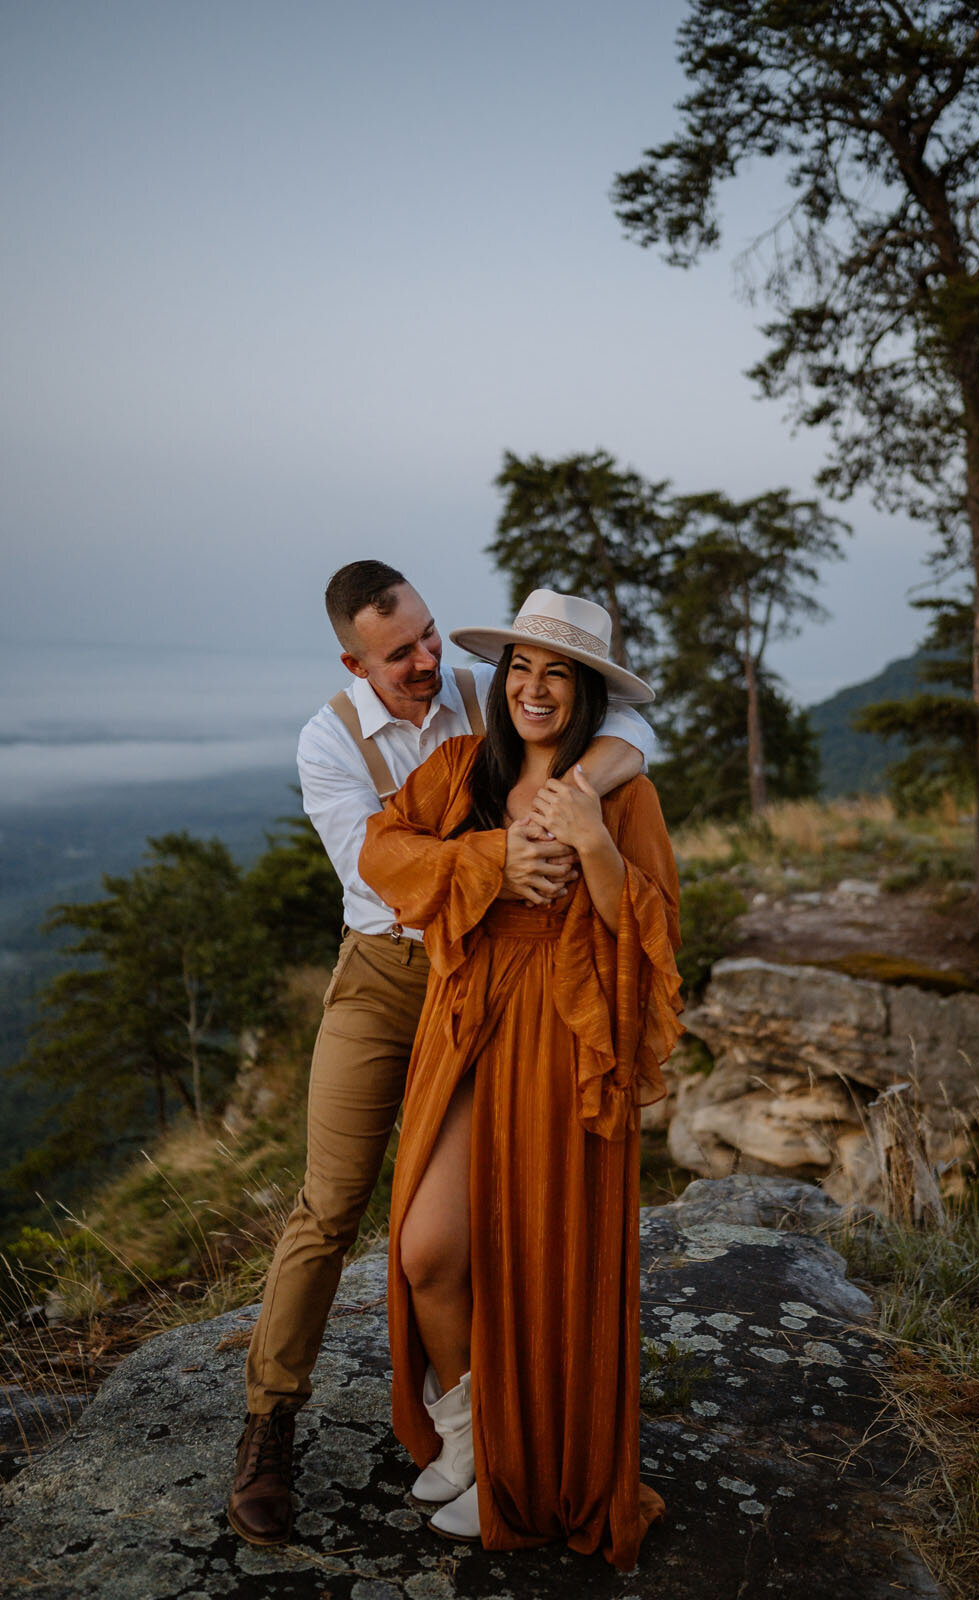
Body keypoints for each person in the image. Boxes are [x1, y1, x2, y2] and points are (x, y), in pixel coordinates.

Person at [227, 562, 656, 1547]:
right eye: (400, 653)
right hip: (389, 976)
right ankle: (268, 1423)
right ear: (352, 660)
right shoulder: (328, 741)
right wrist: (494, 859)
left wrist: (586, 788)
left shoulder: (487, 687)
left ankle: (496, 1431)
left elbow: (627, 728)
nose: (426, 663)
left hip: (499, 983)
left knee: (474, 1215)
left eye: (428, 637)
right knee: (331, 1201)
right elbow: (378, 872)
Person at [359, 589, 683, 1571]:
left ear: (583, 694)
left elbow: (658, 935)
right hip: (465, 1023)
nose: (534, 688)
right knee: (428, 1246)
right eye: (520, 669)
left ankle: (523, 1458)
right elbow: (382, 850)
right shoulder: (462, 767)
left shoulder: (620, 792)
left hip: (560, 1031)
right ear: (499, 681)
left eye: (557, 673)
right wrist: (490, 862)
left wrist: (589, 843)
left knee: (542, 1250)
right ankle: (464, 1429)